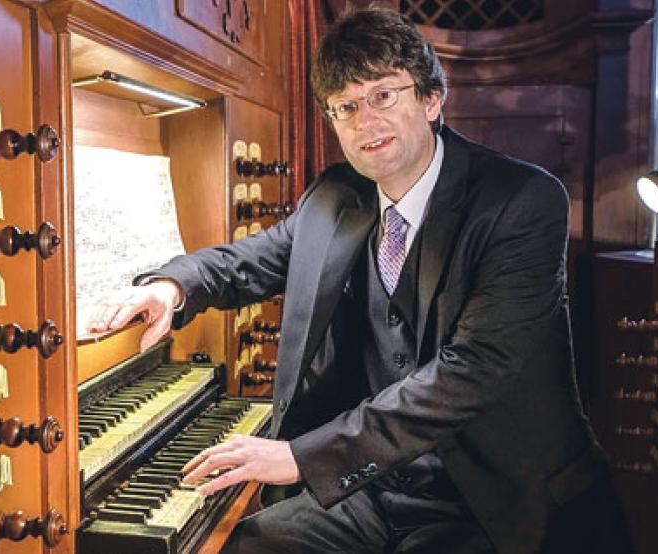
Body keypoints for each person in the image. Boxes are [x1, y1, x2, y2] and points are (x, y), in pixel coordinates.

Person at [87, 7, 630, 553]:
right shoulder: (335, 196)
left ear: (431, 99)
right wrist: (172, 287)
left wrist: (299, 457)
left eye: (383, 96)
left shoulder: (520, 200)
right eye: (346, 107)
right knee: (243, 545)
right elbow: (252, 259)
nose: (365, 121)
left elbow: (472, 371)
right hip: (374, 487)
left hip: (493, 500)